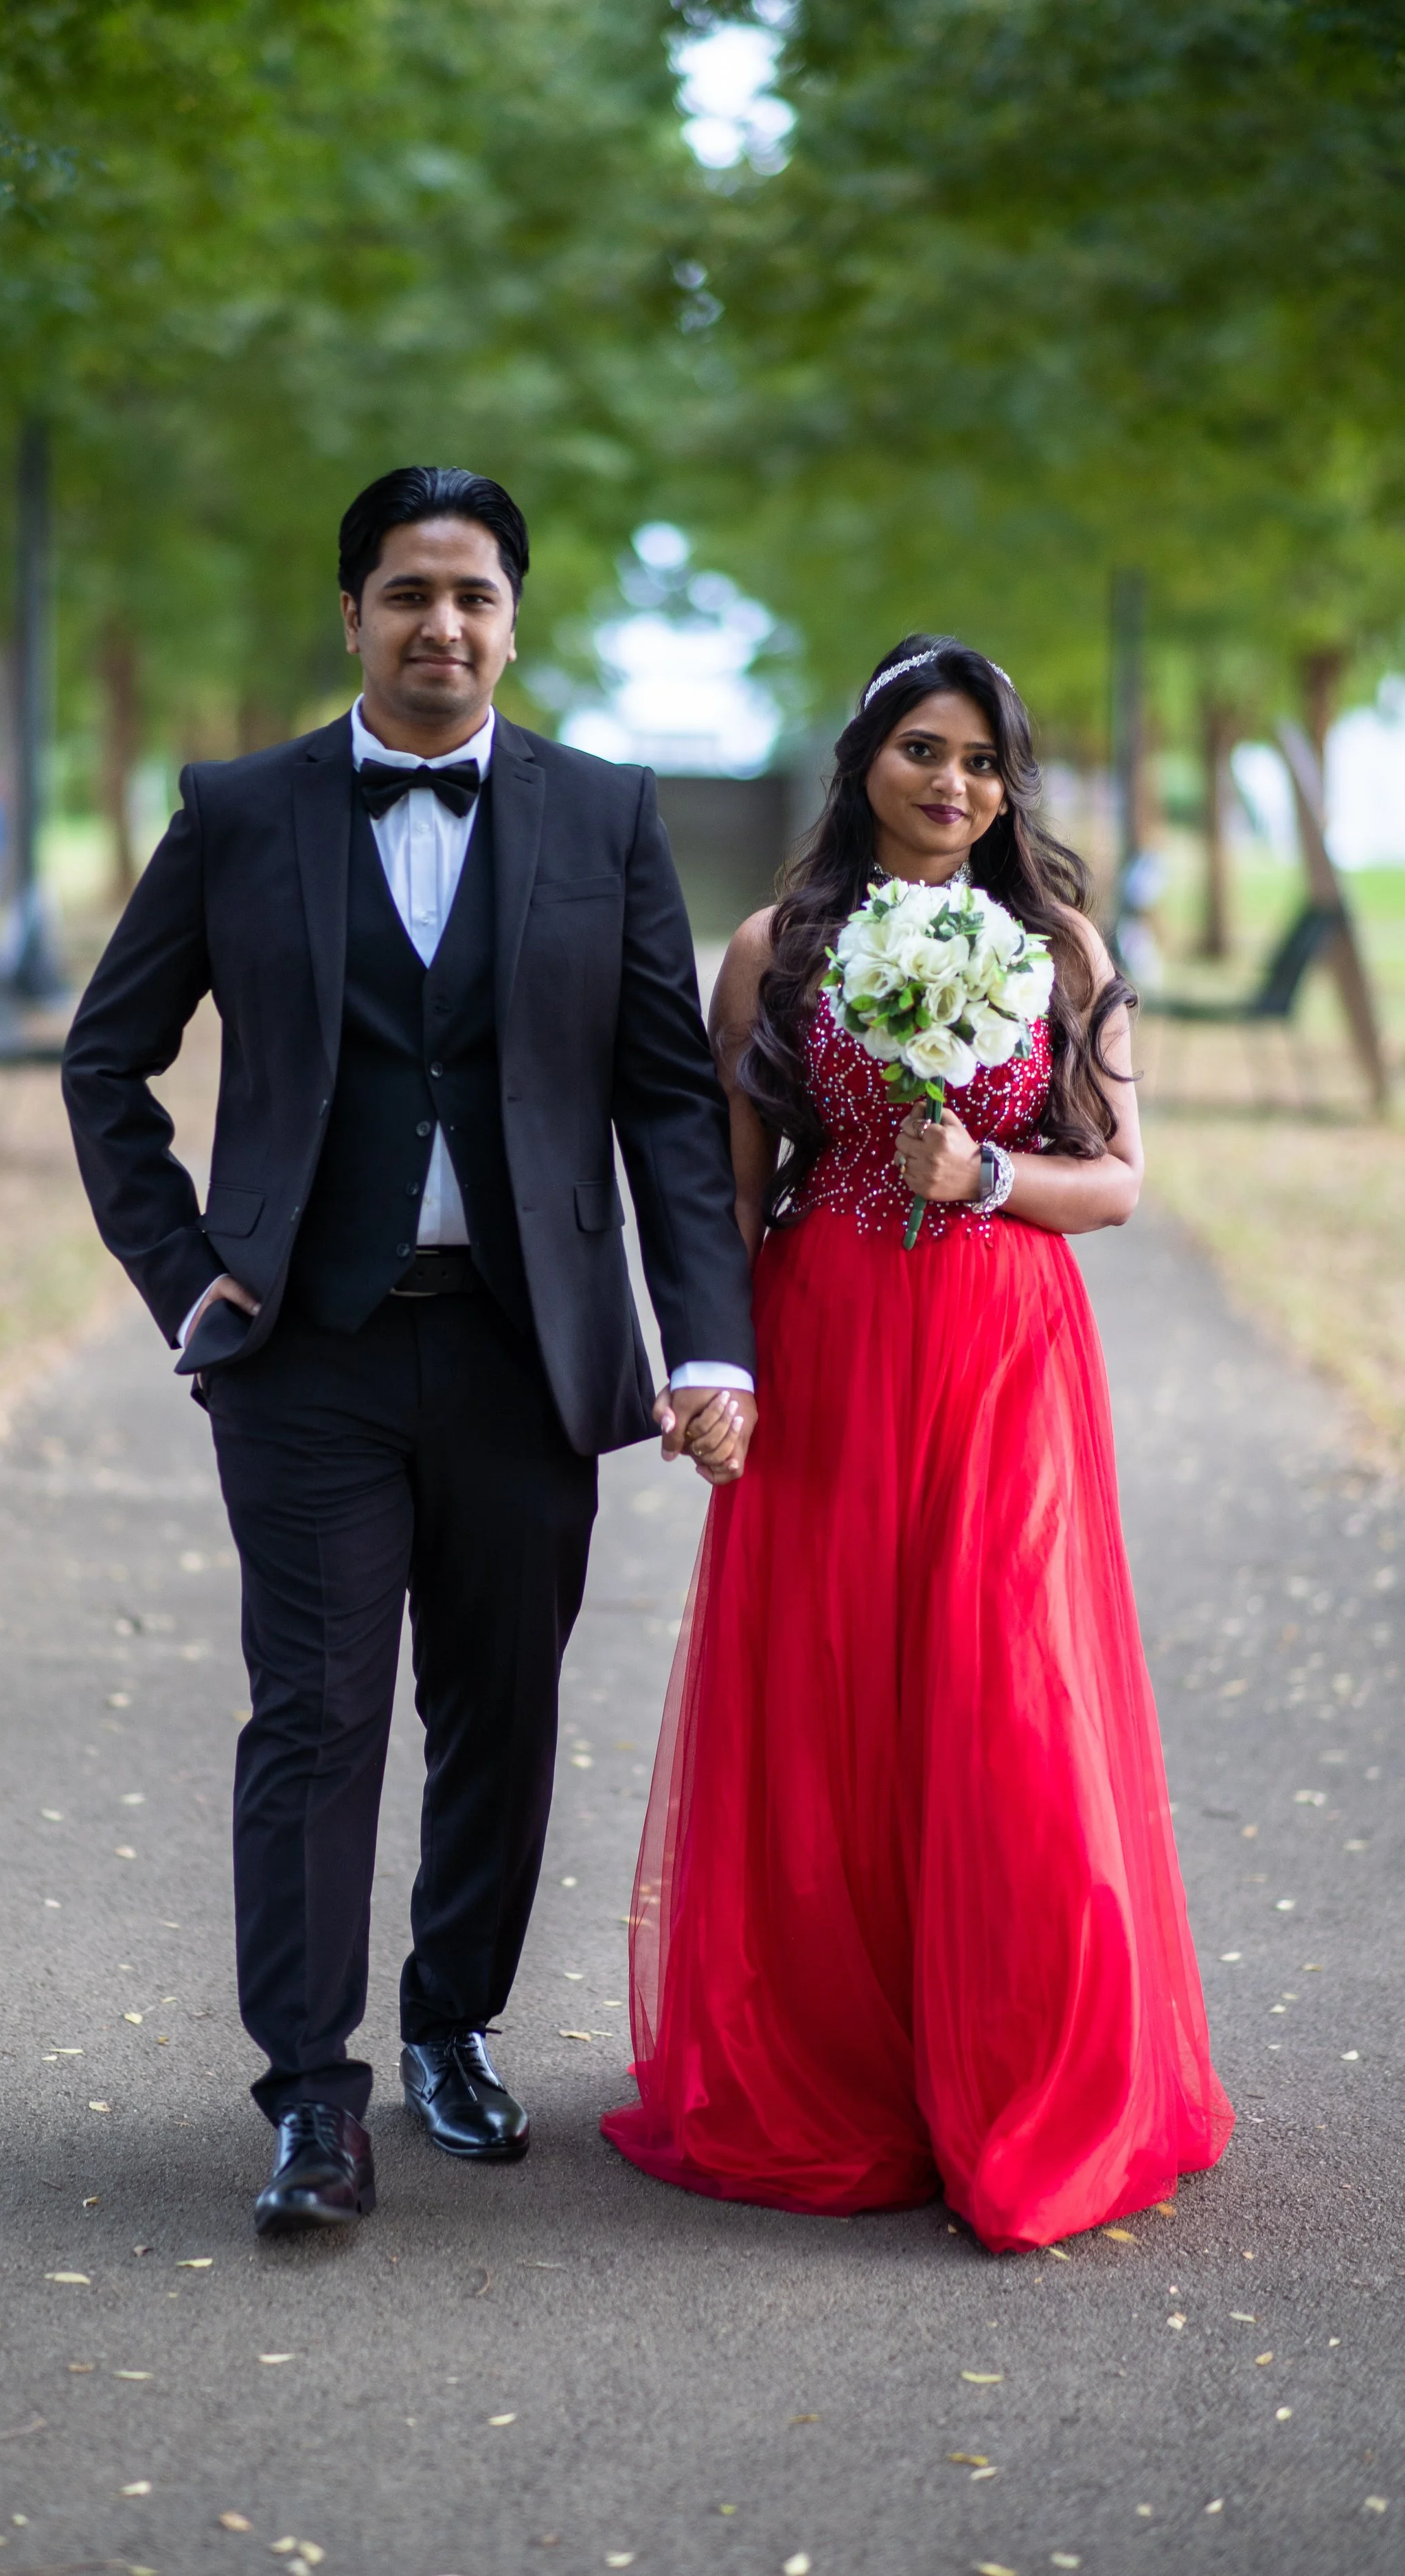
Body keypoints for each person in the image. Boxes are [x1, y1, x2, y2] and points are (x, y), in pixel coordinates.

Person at [61, 466, 757, 2233]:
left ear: (512, 622)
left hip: (532, 1356)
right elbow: (107, 1063)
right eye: (404, 594)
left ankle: (453, 2023)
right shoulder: (236, 811)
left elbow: (671, 1101)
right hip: (304, 1359)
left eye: (471, 596)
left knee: (502, 1716)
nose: (439, 624)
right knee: (314, 1719)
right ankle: (309, 2094)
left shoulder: (604, 815)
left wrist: (709, 1346)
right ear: (353, 615)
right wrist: (187, 1278)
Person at [601, 635, 1233, 2253]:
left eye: (976, 760)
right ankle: (838, 2077)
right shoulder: (767, 948)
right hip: (824, 1340)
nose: (947, 784)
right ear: (861, 760)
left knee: (1005, 1693)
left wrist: (987, 1180)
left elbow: (1115, 1183)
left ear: (1007, 786)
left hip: (1000, 1351)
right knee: (826, 1699)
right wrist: (710, 1365)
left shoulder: (1061, 944)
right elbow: (727, 1195)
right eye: (917, 750)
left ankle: (1028, 2077)